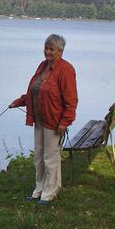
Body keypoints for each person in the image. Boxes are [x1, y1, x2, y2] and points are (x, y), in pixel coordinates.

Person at [9, 34, 78, 204]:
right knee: (38, 156)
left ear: (60, 51)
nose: (47, 51)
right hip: (39, 119)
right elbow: (35, 90)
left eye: (51, 49)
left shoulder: (66, 69)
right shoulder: (43, 66)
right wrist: (19, 102)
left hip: (54, 122)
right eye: (46, 48)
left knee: (50, 158)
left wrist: (65, 121)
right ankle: (39, 190)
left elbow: (71, 100)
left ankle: (50, 193)